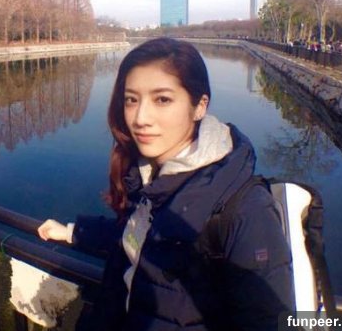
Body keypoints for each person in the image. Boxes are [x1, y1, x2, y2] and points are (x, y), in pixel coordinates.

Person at [38, 38, 294, 330]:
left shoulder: (245, 209)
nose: (140, 118)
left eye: (162, 100)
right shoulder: (150, 175)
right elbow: (139, 237)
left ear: (199, 106)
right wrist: (73, 232)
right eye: (131, 100)